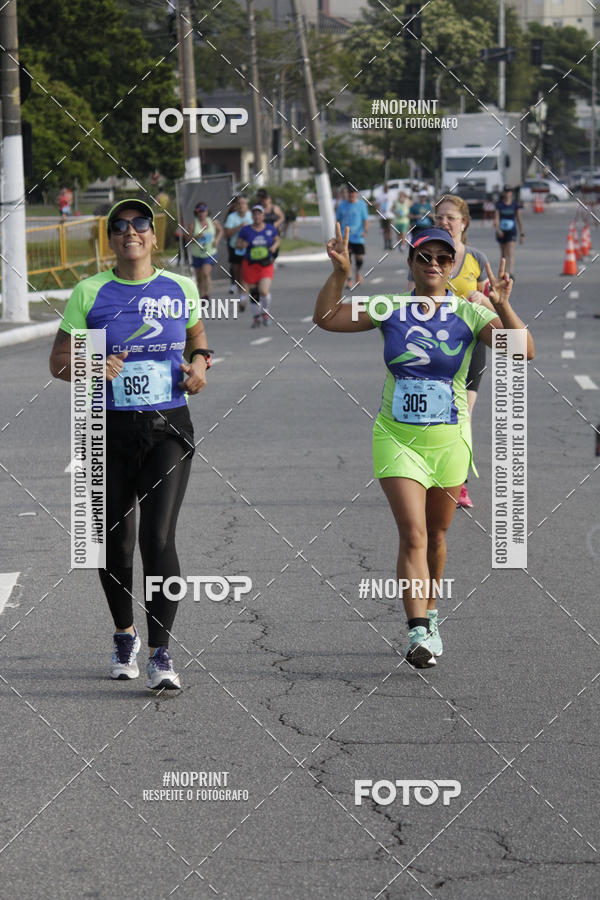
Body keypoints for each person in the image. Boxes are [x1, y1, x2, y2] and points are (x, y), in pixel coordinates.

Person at [313, 222, 534, 667]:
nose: (434, 264)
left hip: (450, 440)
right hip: (396, 437)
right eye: (424, 256)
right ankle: (416, 631)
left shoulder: (470, 313)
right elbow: (327, 318)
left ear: (453, 265)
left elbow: (523, 351)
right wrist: (339, 274)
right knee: (412, 532)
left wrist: (502, 306)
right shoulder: (389, 306)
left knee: (436, 536)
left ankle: (430, 613)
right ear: (411, 262)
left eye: (443, 258)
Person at [49, 198, 212, 690]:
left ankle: (161, 653)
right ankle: (125, 634)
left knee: (157, 539)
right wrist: (92, 364)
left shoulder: (180, 287)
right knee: (113, 543)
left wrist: (200, 363)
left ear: (153, 235)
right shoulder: (89, 291)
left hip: (168, 428)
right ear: (111, 240)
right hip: (106, 429)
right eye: (119, 226)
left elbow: (197, 336)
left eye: (140, 223)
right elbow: (58, 361)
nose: (130, 231)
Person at [434, 194, 492, 509]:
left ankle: (460, 484)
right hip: (434, 347)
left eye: (450, 218)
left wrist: (483, 299)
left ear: (464, 223)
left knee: (462, 415)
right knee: (436, 415)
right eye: (439, 217)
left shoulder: (477, 259)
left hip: (472, 345)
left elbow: (494, 306)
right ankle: (433, 477)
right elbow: (413, 300)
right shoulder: (426, 255)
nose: (444, 222)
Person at [236, 204, 280, 327]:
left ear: (263, 216)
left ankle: (265, 312)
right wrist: (242, 245)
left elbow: (277, 240)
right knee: (254, 292)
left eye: (259, 213)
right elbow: (237, 244)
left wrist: (274, 247)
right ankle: (256, 317)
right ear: (252, 216)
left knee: (263, 291)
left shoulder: (270, 228)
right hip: (250, 265)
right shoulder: (246, 230)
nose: (257, 216)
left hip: (265, 264)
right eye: (254, 214)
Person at [335, 184, 369, 289]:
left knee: (359, 259)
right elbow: (338, 220)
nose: (351, 195)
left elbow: (365, 220)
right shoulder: (342, 205)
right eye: (350, 193)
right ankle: (349, 280)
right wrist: (338, 234)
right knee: (347, 260)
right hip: (345, 237)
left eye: (353, 193)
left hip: (358, 237)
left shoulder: (361, 205)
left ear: (356, 194)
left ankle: (357, 272)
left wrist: (365, 231)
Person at [188, 202, 223, 300]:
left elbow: (220, 231)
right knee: (199, 278)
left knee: (205, 273)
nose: (201, 213)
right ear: (196, 213)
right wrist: (197, 237)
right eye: (199, 211)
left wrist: (217, 240)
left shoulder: (213, 222)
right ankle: (201, 295)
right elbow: (188, 240)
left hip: (210, 253)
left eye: (203, 211)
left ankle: (206, 295)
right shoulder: (193, 224)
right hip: (197, 254)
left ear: (207, 212)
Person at [225, 196, 252, 304]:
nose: (241, 205)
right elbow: (227, 234)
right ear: (235, 206)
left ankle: (245, 294)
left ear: (247, 205)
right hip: (235, 247)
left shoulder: (251, 216)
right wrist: (239, 227)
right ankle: (242, 293)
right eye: (239, 203)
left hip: (249, 248)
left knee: (246, 272)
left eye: (243, 203)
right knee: (237, 272)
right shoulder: (232, 217)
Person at [494, 186, 525, 277]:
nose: (507, 193)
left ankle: (510, 272)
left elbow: (519, 219)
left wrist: (522, 233)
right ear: (503, 193)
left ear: (511, 193)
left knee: (510, 253)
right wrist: (498, 230)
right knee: (503, 254)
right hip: (502, 231)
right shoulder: (499, 205)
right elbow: (496, 218)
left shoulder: (515, 205)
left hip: (511, 231)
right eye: (506, 191)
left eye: (509, 191)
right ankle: (503, 272)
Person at [375, 182, 395, 250]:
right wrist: (377, 211)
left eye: (387, 187)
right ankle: (385, 244)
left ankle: (390, 244)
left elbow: (394, 203)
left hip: (390, 215)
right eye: (385, 187)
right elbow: (378, 204)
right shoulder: (380, 195)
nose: (386, 189)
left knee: (389, 229)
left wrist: (393, 209)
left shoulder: (391, 194)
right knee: (384, 230)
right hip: (382, 215)